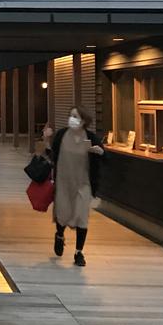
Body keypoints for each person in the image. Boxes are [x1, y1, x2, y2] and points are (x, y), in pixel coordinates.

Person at [50, 106, 104, 267]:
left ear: (84, 121)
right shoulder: (61, 135)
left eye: (76, 116)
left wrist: (100, 152)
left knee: (82, 217)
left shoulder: (91, 137)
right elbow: (51, 154)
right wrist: (47, 139)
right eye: (71, 115)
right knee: (63, 213)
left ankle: (78, 252)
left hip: (83, 183)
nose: (72, 119)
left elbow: (103, 155)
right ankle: (60, 235)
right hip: (63, 183)